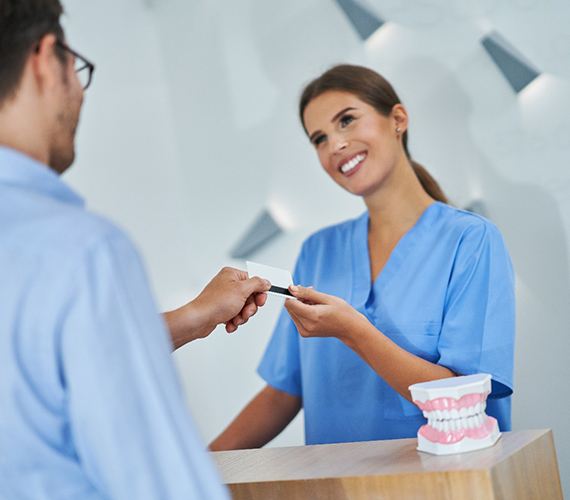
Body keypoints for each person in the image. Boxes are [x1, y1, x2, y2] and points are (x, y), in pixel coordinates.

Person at [0, 1, 270, 499]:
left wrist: (194, 315)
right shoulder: (82, 251)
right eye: (78, 69)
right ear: (44, 59)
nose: (80, 91)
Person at [210, 64, 515, 450]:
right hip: (335, 487)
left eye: (347, 121)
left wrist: (354, 331)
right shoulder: (318, 252)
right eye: (319, 138)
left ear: (398, 120)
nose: (335, 144)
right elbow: (282, 393)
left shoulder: (470, 241)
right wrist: (191, 473)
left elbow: (463, 399)